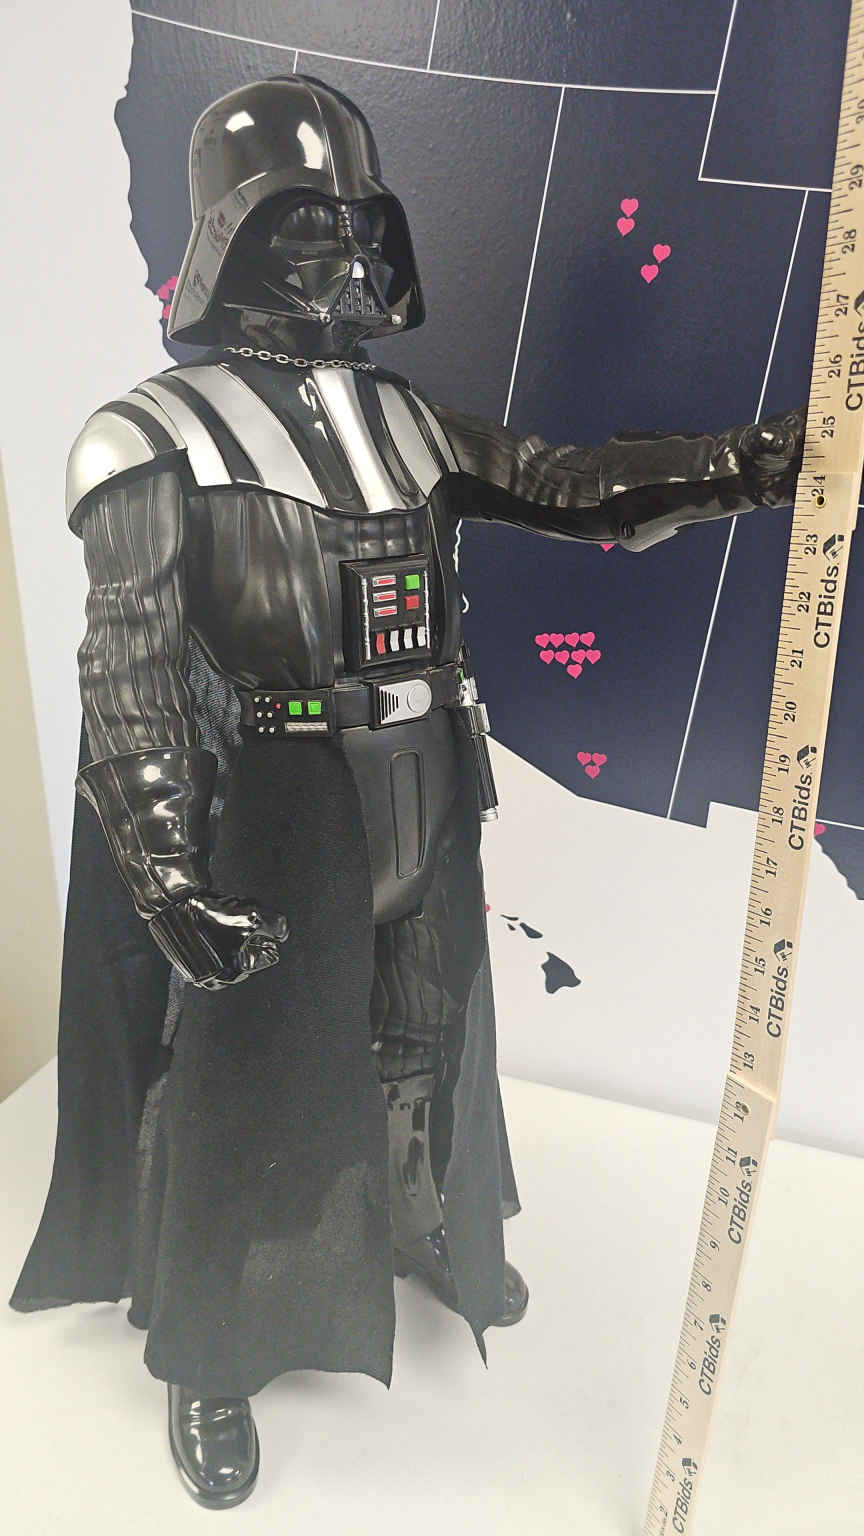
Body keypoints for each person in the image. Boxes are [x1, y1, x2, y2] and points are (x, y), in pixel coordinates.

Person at [9, 74, 805, 1509]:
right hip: (270, 802)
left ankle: (422, 1228)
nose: (345, 255)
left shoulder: (410, 423)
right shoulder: (150, 435)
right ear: (236, 235)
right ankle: (214, 1349)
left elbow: (573, 487)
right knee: (247, 1083)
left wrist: (752, 464)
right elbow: (126, 671)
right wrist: (164, 866)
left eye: (357, 223)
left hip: (425, 775)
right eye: (306, 224)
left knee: (424, 1037)